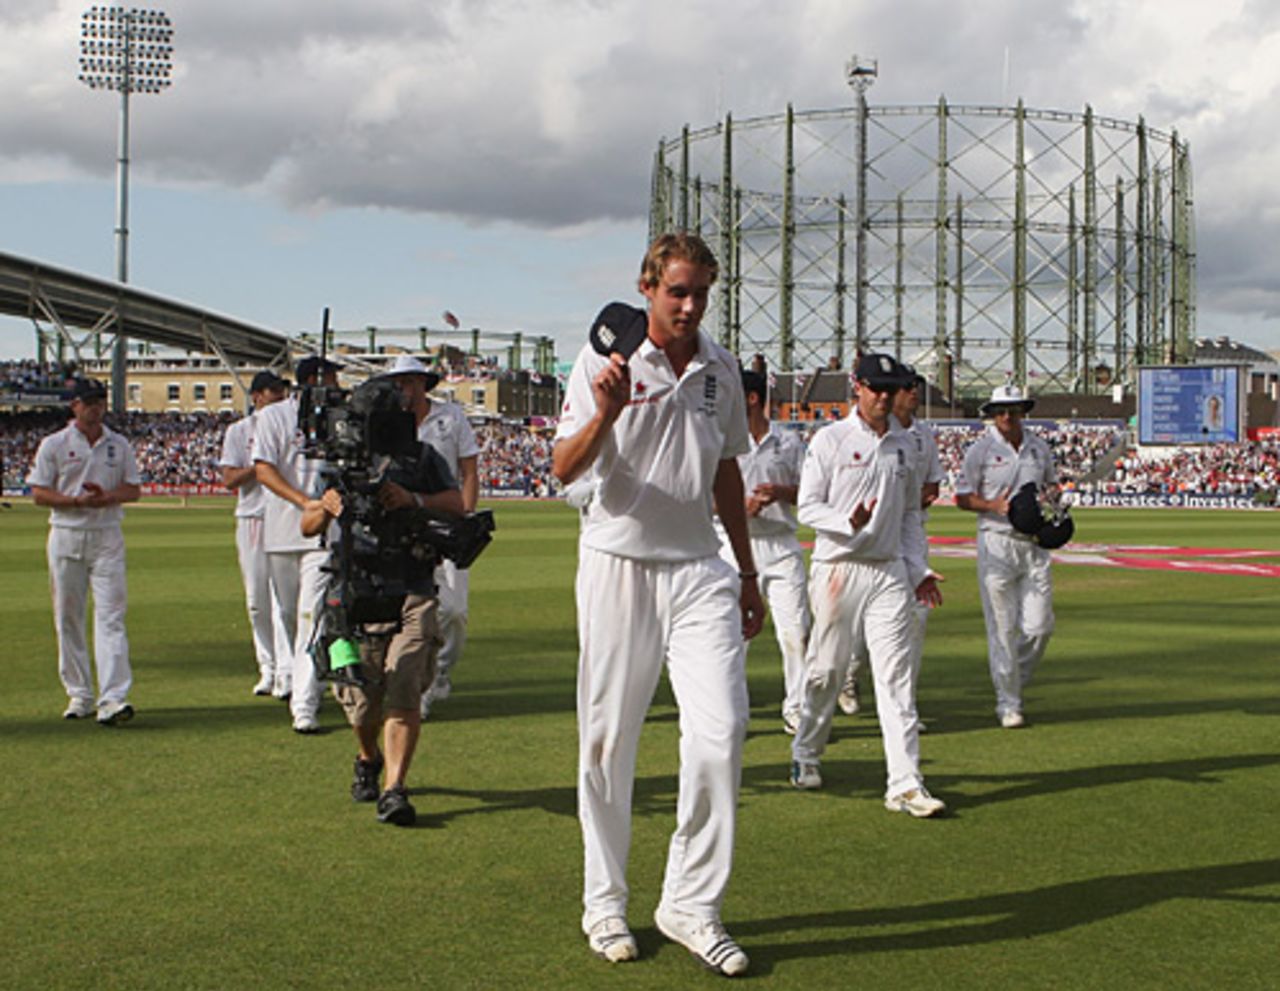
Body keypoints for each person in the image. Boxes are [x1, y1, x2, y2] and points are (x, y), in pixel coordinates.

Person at [552, 232, 763, 977]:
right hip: (617, 562)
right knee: (608, 743)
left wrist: (745, 570)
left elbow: (728, 473)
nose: (689, 304)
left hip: (699, 567)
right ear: (648, 287)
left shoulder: (721, 367)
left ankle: (690, 904)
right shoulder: (602, 360)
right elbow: (561, 466)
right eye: (677, 290)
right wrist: (605, 414)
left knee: (723, 730)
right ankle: (604, 901)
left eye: (701, 291)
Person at [788, 354, 945, 819]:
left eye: (890, 388)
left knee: (897, 679)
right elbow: (807, 507)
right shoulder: (831, 439)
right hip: (838, 566)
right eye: (875, 387)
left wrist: (918, 568)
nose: (883, 396)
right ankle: (806, 752)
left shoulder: (907, 444)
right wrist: (845, 522)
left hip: (889, 570)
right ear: (857, 387)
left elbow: (911, 514)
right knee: (827, 672)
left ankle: (905, 783)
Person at [300, 386, 463, 826]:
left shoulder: (424, 458)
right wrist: (328, 508)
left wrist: (414, 501)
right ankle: (367, 755)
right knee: (362, 698)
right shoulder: (339, 460)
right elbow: (307, 523)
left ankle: (395, 788)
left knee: (406, 683)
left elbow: (456, 504)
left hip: (412, 583)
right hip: (356, 588)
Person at [27, 377, 141, 725]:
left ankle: (113, 698)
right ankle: (79, 694)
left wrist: (108, 497)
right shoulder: (54, 444)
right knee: (68, 617)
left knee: (111, 617)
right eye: (88, 401)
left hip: (106, 534)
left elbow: (133, 489)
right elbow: (39, 494)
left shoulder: (118, 444)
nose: (96, 408)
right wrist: (75, 501)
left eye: (100, 401)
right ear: (74, 405)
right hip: (66, 534)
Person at [837, 367, 944, 726]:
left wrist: (912, 501)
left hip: (908, 537)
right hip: (867, 540)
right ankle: (848, 679)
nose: (913, 393)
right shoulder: (862, 434)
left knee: (914, 620)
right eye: (906, 387)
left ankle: (904, 707)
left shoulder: (922, 436)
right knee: (856, 623)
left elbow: (931, 486)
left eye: (915, 387)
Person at [954, 383, 1058, 728]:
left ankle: (1013, 680)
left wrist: (1055, 513)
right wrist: (992, 505)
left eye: (1013, 410)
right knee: (1001, 628)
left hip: (1032, 544)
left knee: (1040, 626)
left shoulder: (1039, 448)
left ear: (1023, 412)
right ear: (992, 414)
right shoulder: (980, 450)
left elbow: (1050, 489)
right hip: (996, 540)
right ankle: (1008, 701)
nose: (1007, 417)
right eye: (1000, 411)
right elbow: (962, 497)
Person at [386, 354, 480, 719]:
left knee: (455, 612)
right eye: (399, 382)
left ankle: (439, 672)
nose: (405, 389)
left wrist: (466, 518)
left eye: (411, 381)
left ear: (424, 383)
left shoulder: (451, 416)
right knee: (411, 610)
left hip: (446, 522)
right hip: (403, 528)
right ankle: (417, 683)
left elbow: (468, 470)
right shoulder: (387, 422)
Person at [717, 369, 810, 735]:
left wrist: (781, 493)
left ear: (751, 398)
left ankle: (798, 709)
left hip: (781, 545)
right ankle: (731, 713)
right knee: (732, 636)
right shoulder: (722, 439)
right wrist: (737, 508)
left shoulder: (789, 442)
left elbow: (810, 494)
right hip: (732, 546)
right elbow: (702, 497)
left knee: (796, 632)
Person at [253, 355, 343, 734]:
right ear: (312, 380)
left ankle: (304, 703)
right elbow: (263, 468)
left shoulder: (341, 417)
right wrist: (301, 500)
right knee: (288, 612)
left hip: (325, 534)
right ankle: (291, 675)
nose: (336, 385)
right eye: (331, 377)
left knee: (312, 615)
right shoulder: (274, 417)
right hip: (282, 530)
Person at [218, 369, 289, 697]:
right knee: (256, 600)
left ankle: (287, 672)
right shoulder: (239, 431)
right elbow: (230, 478)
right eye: (273, 391)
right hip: (252, 517)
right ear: (257, 396)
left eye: (282, 390)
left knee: (283, 599)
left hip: (284, 516)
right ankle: (268, 666)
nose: (280, 395)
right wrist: (261, 467)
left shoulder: (291, 425)